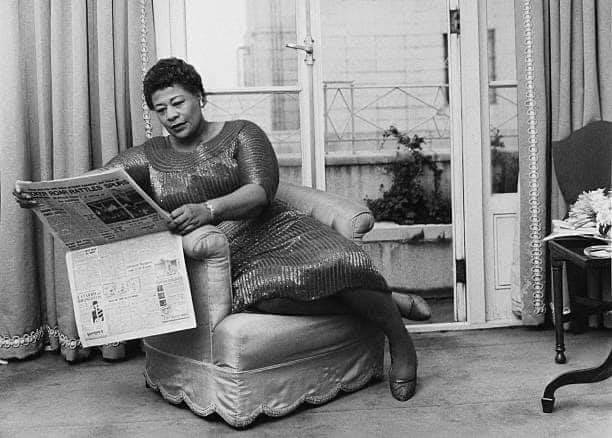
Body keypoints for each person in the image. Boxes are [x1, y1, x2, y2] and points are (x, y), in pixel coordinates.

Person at [14, 57, 431, 401]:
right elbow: (98, 181)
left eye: (178, 103)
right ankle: (388, 304)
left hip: (276, 230)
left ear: (201, 97)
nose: (172, 116)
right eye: (161, 110)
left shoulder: (242, 134)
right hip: (229, 252)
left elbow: (261, 191)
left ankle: (400, 342)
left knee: (340, 261)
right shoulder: (150, 155)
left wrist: (208, 208)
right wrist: (44, 195)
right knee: (269, 299)